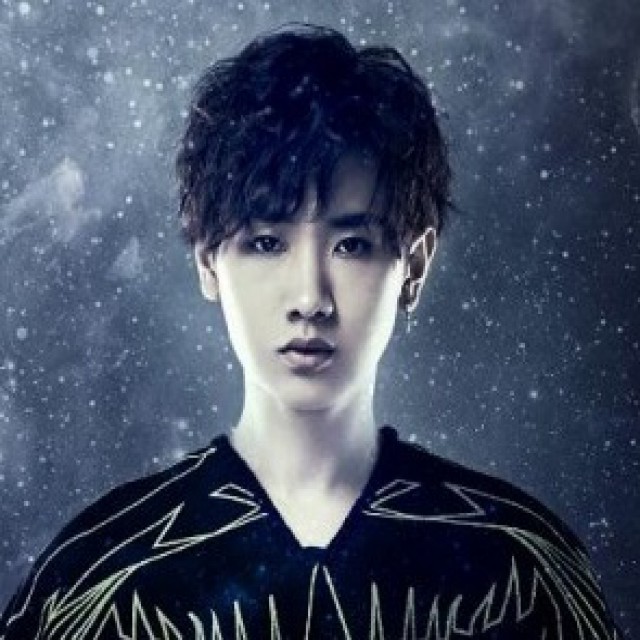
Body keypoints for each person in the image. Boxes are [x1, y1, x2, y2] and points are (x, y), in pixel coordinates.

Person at [0, 24, 620, 640]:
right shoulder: (99, 582)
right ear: (209, 262)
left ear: (414, 266)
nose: (309, 299)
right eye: (266, 243)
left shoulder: (519, 570)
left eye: (352, 245)